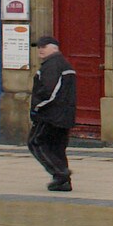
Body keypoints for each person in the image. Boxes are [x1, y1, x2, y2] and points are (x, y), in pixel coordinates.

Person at [27, 35, 77, 191]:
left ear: (54, 48)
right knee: (56, 147)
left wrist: (37, 108)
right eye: (38, 47)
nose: (40, 49)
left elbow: (50, 92)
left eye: (44, 46)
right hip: (64, 114)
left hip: (50, 115)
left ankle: (60, 173)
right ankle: (63, 182)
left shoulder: (52, 65)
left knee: (36, 142)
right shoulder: (63, 64)